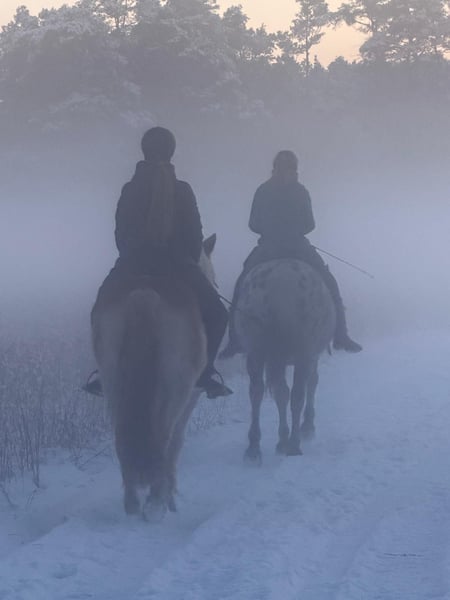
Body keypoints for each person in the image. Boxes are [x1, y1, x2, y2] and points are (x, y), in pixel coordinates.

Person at [85, 127, 232, 399]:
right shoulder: (183, 190)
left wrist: (133, 255)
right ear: (171, 152)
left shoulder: (130, 189)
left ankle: (104, 373)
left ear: (144, 151)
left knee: (99, 310)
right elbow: (194, 237)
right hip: (178, 266)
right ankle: (205, 374)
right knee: (218, 314)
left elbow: (120, 234)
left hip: (133, 264)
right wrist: (184, 260)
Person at [221, 150, 362, 358]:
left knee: (242, 283)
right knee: (329, 281)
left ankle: (234, 339)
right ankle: (341, 335)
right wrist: (293, 230)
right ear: (295, 170)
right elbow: (309, 225)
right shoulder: (300, 191)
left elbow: (253, 224)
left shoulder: (263, 190)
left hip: (267, 248)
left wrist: (270, 230)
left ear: (274, 168)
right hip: (298, 247)